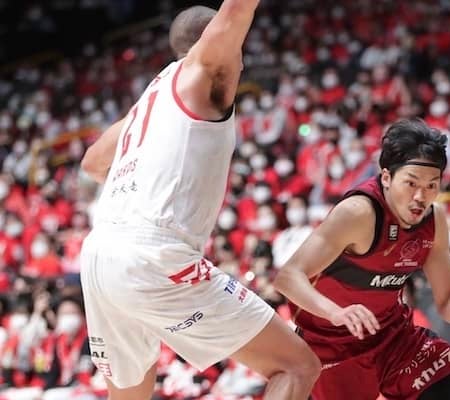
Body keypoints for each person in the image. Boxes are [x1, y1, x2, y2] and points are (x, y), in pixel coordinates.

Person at [78, 3, 320, 399]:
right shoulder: (205, 71)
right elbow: (235, 11)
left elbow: (92, 162)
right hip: (152, 252)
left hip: (100, 254)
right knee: (297, 366)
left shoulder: (152, 101)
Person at [274, 118, 450, 400]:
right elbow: (288, 277)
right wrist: (336, 313)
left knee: (442, 390)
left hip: (391, 335)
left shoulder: (434, 221)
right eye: (411, 183)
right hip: (332, 345)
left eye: (432, 185)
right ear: (386, 177)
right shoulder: (358, 213)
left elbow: (447, 298)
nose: (421, 196)